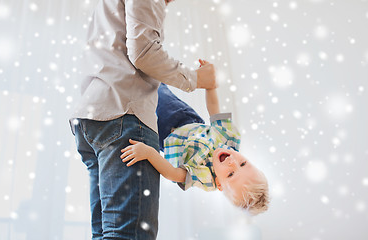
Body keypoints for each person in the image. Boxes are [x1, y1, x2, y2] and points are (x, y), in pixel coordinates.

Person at [70, 1, 217, 239]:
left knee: (107, 234)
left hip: (94, 116)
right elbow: (144, 51)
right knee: (128, 235)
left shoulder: (207, 176)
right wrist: (196, 79)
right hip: (124, 117)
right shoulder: (227, 139)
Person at [120, 61, 270, 216]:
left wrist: (148, 153)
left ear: (219, 184)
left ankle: (121, 79)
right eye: (243, 163)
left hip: (163, 136)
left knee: (137, 106)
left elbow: (172, 173)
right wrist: (210, 86)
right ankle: (140, 64)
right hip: (182, 116)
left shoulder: (204, 177)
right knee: (156, 89)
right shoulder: (229, 138)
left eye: (231, 174)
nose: (233, 162)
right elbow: (214, 110)